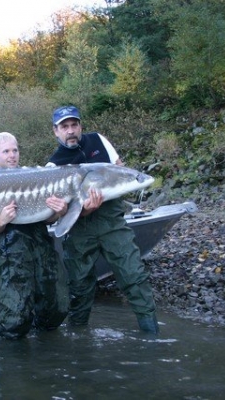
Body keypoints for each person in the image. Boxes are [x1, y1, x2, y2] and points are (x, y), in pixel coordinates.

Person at [47, 105, 159, 334]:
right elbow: (58, 215)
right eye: (64, 127)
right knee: (80, 288)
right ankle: (79, 342)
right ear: (56, 131)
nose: (70, 131)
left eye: (74, 125)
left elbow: (120, 172)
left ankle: (152, 335)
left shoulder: (98, 141)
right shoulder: (52, 166)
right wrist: (84, 210)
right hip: (79, 230)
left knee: (134, 276)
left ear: (80, 126)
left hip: (111, 224)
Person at [0, 132, 69, 339]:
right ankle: (13, 364)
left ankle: (48, 358)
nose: (12, 155)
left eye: (15, 150)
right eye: (6, 151)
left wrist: (58, 212)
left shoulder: (34, 177)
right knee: (16, 316)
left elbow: (48, 219)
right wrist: (0, 221)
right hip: (8, 252)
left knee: (57, 305)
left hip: (41, 246)